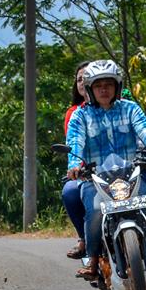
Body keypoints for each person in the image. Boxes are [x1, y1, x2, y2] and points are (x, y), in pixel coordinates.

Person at [66, 59, 146, 279]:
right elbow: (75, 142)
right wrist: (74, 165)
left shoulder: (130, 108)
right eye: (98, 85)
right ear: (90, 89)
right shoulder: (80, 116)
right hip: (95, 179)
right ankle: (93, 261)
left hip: (129, 175)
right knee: (95, 212)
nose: (104, 89)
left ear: (117, 86)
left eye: (108, 84)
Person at [61, 62, 91, 259]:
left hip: (121, 168)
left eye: (86, 78)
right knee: (70, 191)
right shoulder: (75, 113)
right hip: (89, 172)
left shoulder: (122, 107)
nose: (82, 83)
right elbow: (73, 144)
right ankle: (84, 238)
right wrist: (75, 166)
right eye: (79, 79)